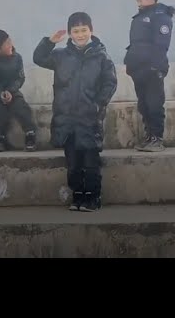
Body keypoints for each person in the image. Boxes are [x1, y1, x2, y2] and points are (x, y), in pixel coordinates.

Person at [33, 12, 117, 212]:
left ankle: (93, 197)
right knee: (73, 163)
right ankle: (77, 196)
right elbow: (38, 58)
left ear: (91, 31)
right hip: (67, 120)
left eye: (84, 30)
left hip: (89, 119)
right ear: (70, 33)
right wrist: (49, 42)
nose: (80, 34)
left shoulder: (101, 56)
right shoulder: (60, 56)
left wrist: (99, 103)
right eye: (76, 31)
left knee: (90, 162)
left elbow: (110, 82)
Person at [124, 0, 175, 153]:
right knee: (144, 104)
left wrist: (155, 66)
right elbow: (137, 44)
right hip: (139, 69)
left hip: (153, 68)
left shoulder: (160, 16)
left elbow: (161, 44)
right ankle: (149, 136)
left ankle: (157, 139)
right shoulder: (140, 17)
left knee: (154, 104)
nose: (137, 3)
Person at [0, 29, 37, 152]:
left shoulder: (17, 58)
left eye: (9, 41)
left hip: (13, 93)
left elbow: (20, 78)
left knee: (21, 106)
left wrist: (10, 91)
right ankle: (0, 139)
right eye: (7, 44)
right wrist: (0, 94)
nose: (11, 45)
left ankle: (30, 135)